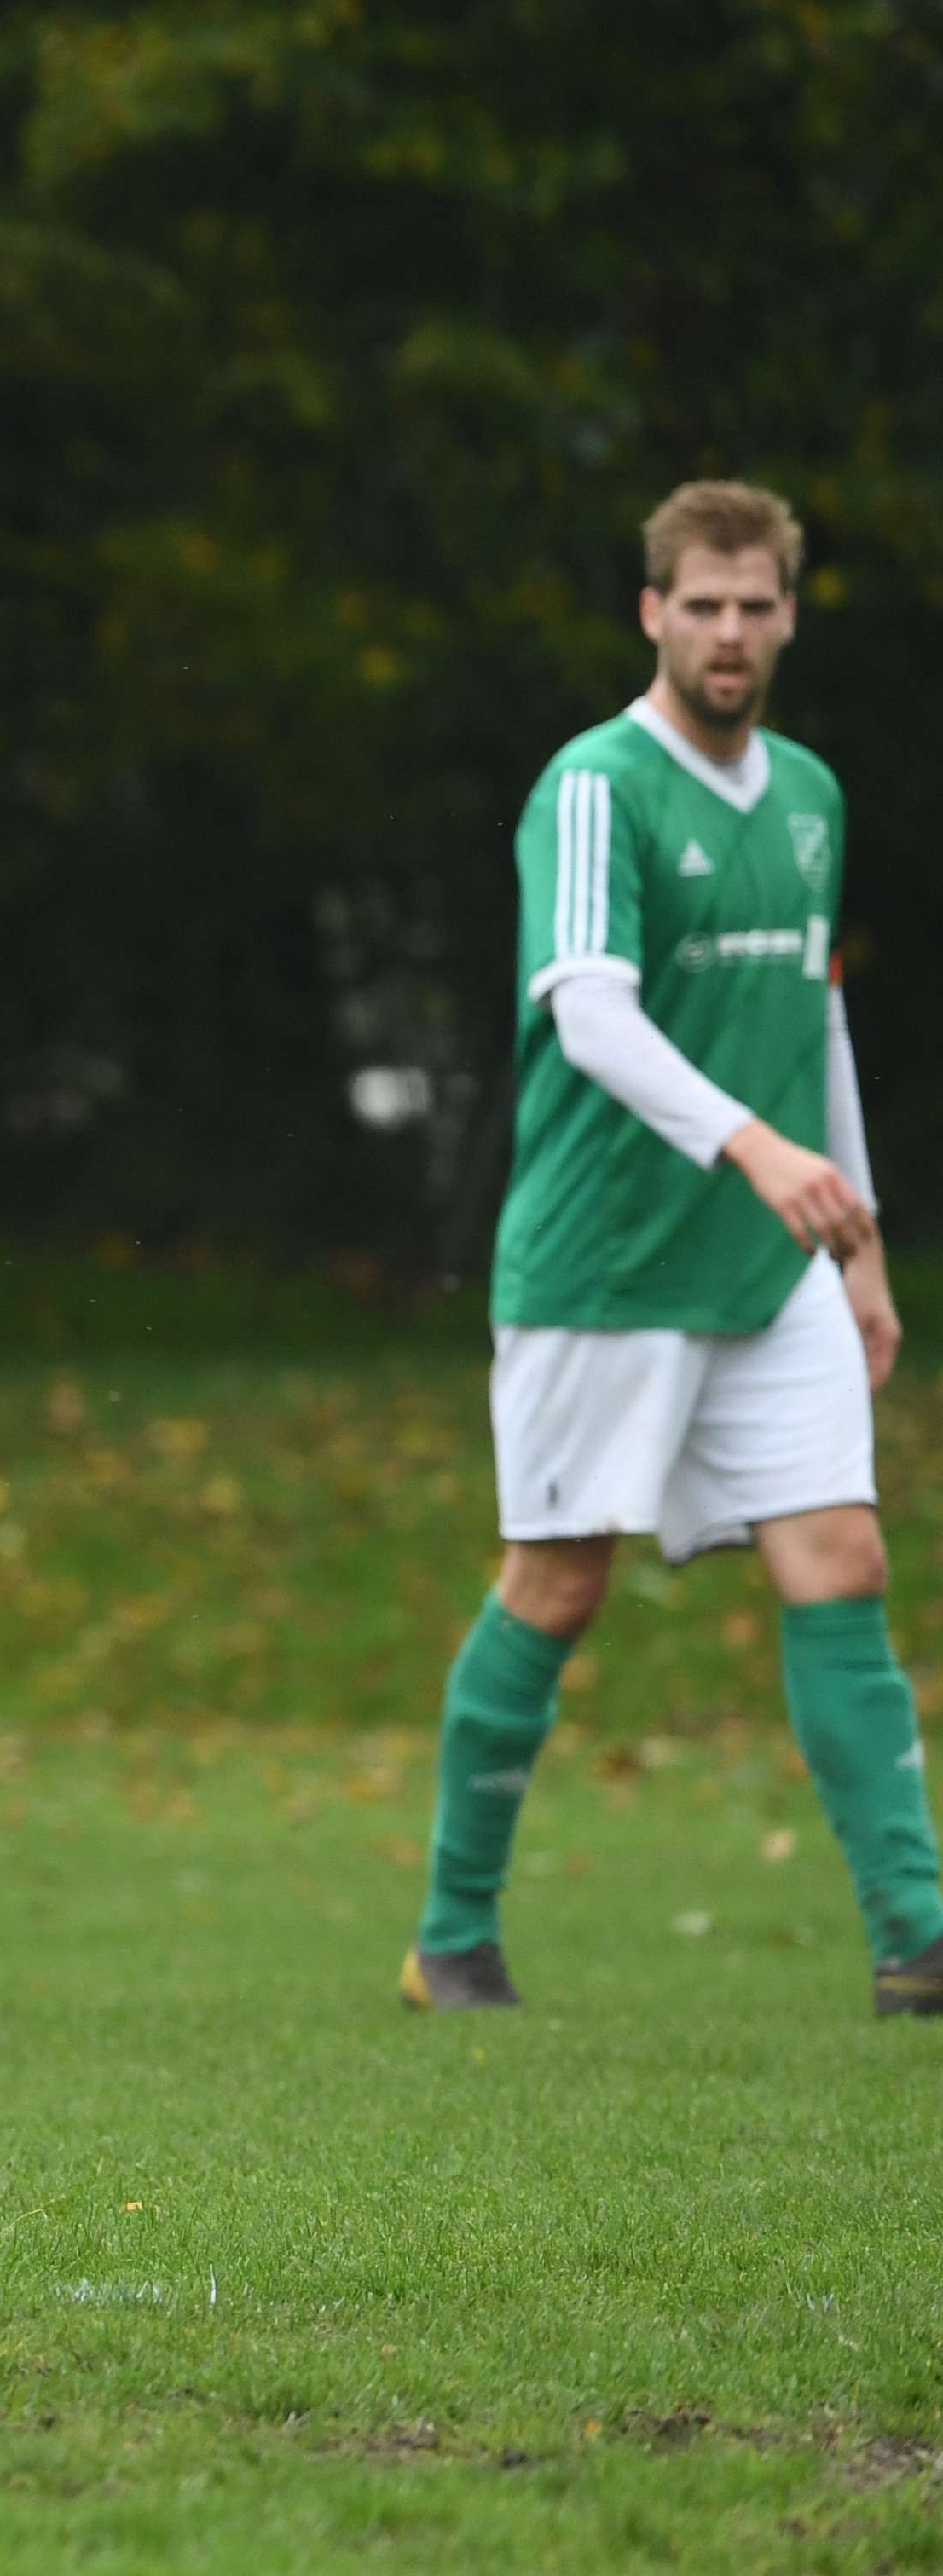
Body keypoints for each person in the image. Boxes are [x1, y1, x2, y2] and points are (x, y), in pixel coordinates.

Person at [406, 477, 942, 2021]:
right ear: (651, 612)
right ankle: (452, 1937)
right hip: (605, 1267)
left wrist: (861, 1244)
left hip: (772, 1267)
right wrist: (760, 1149)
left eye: (753, 605)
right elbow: (589, 1008)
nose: (726, 631)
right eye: (698, 604)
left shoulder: (815, 795)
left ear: (788, 615)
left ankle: (915, 1938)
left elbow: (812, 1013)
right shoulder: (595, 787)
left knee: (842, 1559)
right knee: (559, 1584)